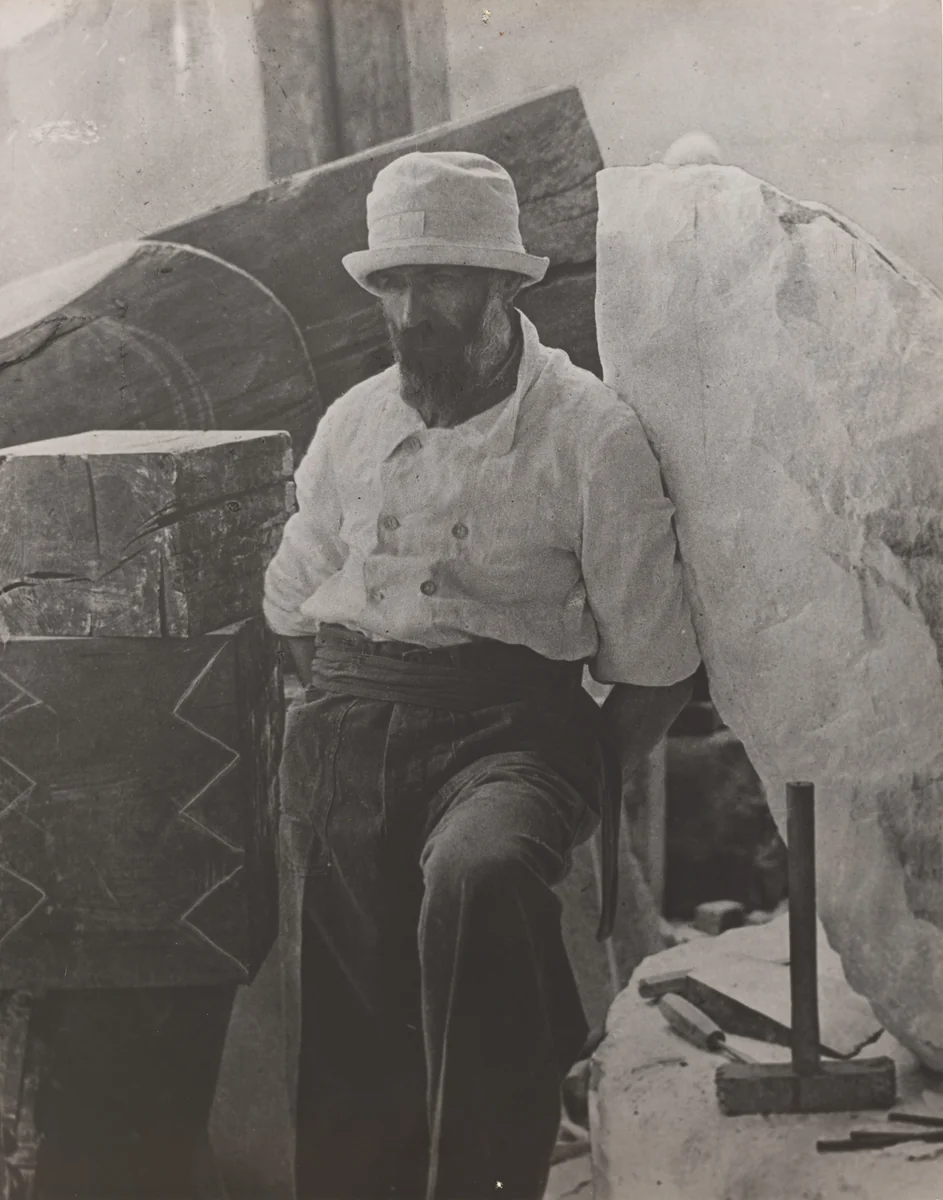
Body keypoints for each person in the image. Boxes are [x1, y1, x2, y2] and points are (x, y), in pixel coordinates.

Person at [263, 150, 699, 1200]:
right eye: (394, 284)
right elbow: (287, 606)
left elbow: (654, 666)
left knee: (483, 875)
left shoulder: (589, 433)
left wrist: (573, 781)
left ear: (504, 284)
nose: (412, 309)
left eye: (442, 280)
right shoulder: (356, 423)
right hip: (349, 718)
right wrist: (334, 711)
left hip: (512, 733)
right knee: (349, 1014)